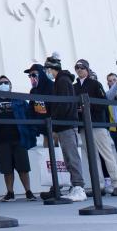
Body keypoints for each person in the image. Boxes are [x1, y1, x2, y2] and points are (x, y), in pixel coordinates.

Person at [73, 59, 117, 195]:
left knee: (107, 154)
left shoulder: (95, 84)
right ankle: (99, 186)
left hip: (97, 123)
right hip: (84, 125)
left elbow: (103, 103)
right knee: (91, 157)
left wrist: (88, 107)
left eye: (82, 67)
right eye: (77, 68)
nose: (79, 70)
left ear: (87, 69)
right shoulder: (74, 87)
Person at [40, 55, 86, 201]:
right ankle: (76, 186)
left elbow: (64, 105)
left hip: (66, 124)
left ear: (51, 69)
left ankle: (79, 187)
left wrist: (55, 122)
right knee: (67, 157)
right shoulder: (60, 81)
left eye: (47, 69)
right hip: (63, 125)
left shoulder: (63, 81)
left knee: (71, 157)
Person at [0, 74, 37, 200]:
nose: (3, 85)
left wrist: (32, 134)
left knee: (23, 167)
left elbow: (29, 116)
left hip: (19, 138)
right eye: (1, 83)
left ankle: (28, 191)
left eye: (6, 82)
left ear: (10, 85)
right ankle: (10, 192)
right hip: (1, 140)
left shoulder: (20, 100)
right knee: (6, 169)